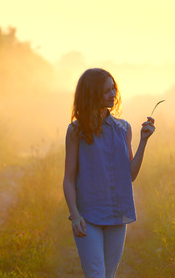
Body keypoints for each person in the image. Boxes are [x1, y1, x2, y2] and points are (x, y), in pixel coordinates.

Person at [63, 68, 156, 278]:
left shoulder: (123, 129)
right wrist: (75, 214)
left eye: (113, 88)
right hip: (88, 216)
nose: (113, 93)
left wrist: (143, 141)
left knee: (109, 275)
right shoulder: (76, 131)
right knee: (96, 274)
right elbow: (68, 179)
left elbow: (130, 175)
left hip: (117, 215)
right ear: (92, 94)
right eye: (106, 90)